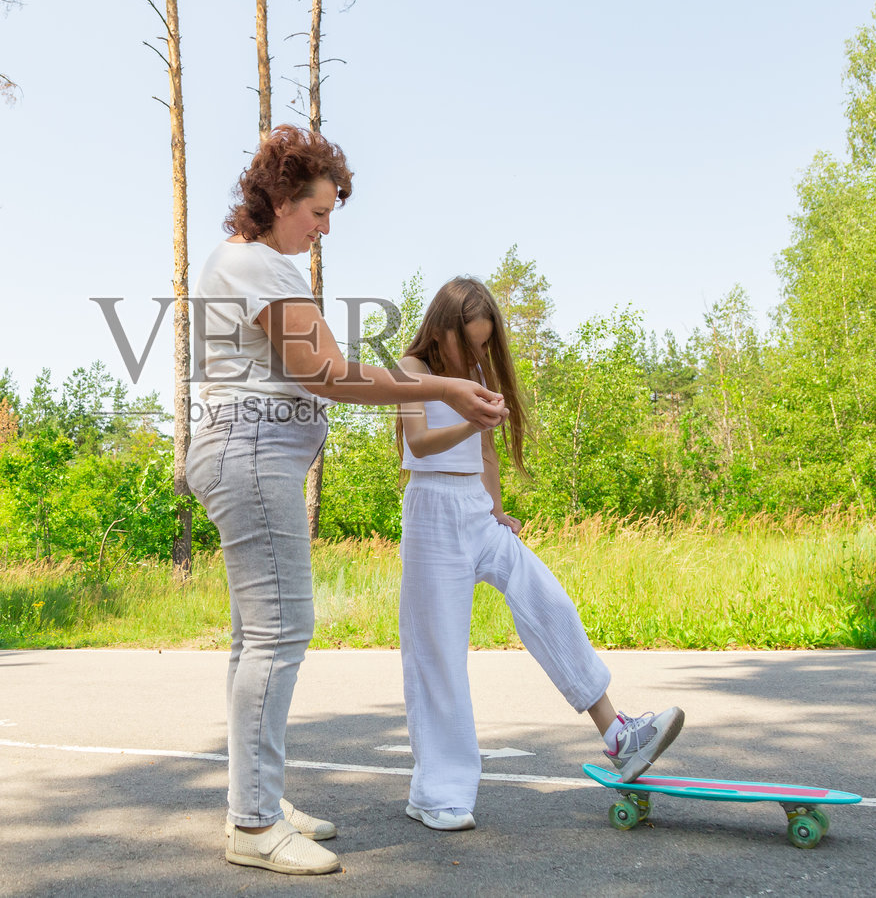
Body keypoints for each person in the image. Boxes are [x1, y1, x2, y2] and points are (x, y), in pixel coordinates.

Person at [186, 126, 508, 876]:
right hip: (252, 453)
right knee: (280, 631)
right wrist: (440, 384)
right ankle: (255, 822)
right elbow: (327, 373)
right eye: (318, 212)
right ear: (278, 199)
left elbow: (318, 369)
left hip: (254, 453)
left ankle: (257, 795)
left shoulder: (256, 266)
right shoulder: (255, 264)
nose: (325, 228)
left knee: (254, 636)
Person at [395, 276, 683, 831]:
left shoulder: (473, 375)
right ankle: (437, 792)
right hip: (431, 516)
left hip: (477, 514)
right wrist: (467, 418)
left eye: (483, 345)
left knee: (547, 598)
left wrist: (497, 509)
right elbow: (416, 445)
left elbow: (488, 454)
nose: (476, 354)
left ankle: (617, 733)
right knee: (439, 656)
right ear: (442, 328)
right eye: (469, 342)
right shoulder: (413, 371)